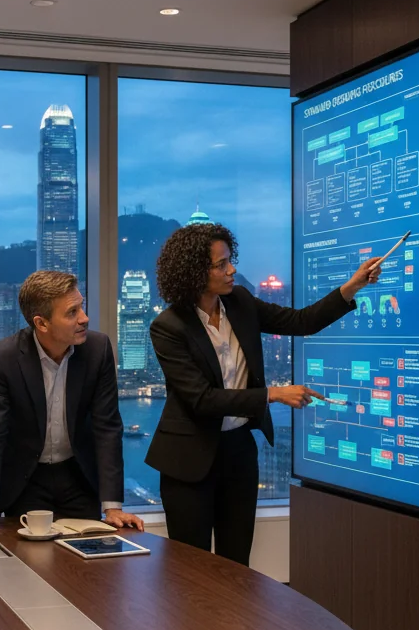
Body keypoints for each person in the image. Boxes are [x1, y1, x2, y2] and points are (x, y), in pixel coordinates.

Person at [146, 223, 382, 567]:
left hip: (239, 452)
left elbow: (302, 321)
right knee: (190, 572)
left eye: (231, 260)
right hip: (189, 460)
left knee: (237, 566)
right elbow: (202, 400)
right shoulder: (168, 326)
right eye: (222, 264)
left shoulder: (239, 302)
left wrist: (352, 286)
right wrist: (272, 394)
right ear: (195, 271)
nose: (232, 270)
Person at [0, 270, 144, 534]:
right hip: (26, 480)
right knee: (29, 559)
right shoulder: (3, 358)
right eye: (72, 312)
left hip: (79, 476)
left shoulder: (98, 350)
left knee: (85, 562)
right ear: (41, 323)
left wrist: (112, 506)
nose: (84, 318)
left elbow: (107, 427)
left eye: (81, 307)